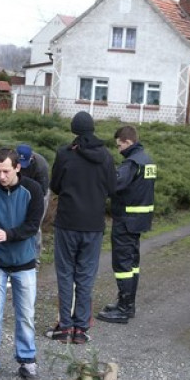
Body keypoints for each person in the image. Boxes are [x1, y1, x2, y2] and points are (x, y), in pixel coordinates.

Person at [46, 111, 116, 344]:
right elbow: (112, 188)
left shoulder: (65, 154)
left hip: (67, 222)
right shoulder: (106, 156)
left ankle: (65, 327)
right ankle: (81, 329)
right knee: (86, 276)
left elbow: (54, 185)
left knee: (65, 274)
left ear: (73, 129)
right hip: (93, 225)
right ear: (93, 128)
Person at [0, 148, 45, 380]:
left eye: (6, 171)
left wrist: (9, 234)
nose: (1, 176)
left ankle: (27, 360)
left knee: (26, 315)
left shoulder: (32, 190)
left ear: (17, 168)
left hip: (24, 262)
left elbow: (33, 225)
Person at [97, 126, 156, 324]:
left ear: (128, 142)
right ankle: (128, 304)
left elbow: (114, 184)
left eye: (119, 145)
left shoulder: (132, 163)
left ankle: (123, 308)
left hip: (126, 221)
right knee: (132, 265)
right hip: (139, 221)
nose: (118, 149)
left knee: (123, 265)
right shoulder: (147, 160)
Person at [16, 143, 50, 259]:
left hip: (40, 195)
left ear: (31, 157)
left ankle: (35, 258)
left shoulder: (41, 165)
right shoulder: (12, 161)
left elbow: (43, 191)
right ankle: (19, 254)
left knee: (34, 225)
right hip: (20, 192)